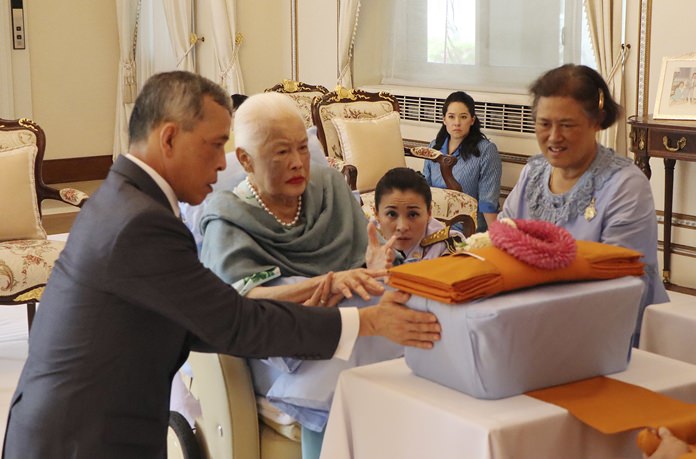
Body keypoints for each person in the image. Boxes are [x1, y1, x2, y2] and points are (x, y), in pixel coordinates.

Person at [2, 71, 441, 459]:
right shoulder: (141, 223)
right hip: (82, 440)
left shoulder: (126, 200)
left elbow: (208, 321)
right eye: (215, 146)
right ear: (169, 139)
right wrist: (366, 323)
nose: (222, 163)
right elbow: (235, 322)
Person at [198, 92, 408, 459]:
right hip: (277, 350)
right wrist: (319, 286)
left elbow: (362, 269)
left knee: (403, 313)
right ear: (245, 159)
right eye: (281, 152)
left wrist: (372, 266)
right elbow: (238, 305)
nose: (297, 162)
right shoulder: (226, 217)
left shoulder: (328, 188)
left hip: (349, 321)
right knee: (341, 356)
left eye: (302, 148)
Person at [499, 64, 669, 346]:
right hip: (530, 321)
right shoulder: (533, 173)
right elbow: (501, 242)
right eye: (544, 124)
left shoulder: (625, 185)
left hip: (610, 336)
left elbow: (618, 285)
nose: (554, 137)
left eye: (567, 125)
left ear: (596, 121)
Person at [423, 90, 502, 232]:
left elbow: (488, 202)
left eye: (463, 117)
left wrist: (496, 237)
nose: (457, 123)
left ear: (472, 120)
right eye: (451, 117)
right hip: (434, 223)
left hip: (467, 228)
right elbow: (425, 192)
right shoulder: (434, 147)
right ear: (444, 119)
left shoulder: (486, 151)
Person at [366, 167, 464, 270]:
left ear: (429, 213)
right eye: (391, 214)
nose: (402, 227)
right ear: (376, 214)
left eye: (413, 215)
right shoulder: (363, 244)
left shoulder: (447, 245)